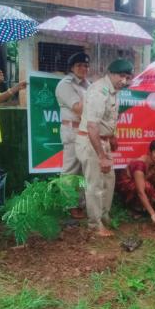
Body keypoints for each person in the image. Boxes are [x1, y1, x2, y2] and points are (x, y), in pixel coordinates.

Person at [75, 58, 133, 237]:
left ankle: (104, 216)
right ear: (111, 74)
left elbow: (105, 120)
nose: (124, 81)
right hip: (91, 142)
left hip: (103, 141)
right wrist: (101, 155)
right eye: (121, 76)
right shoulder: (99, 90)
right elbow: (92, 126)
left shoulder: (112, 91)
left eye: (128, 77)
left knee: (109, 180)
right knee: (94, 184)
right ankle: (95, 224)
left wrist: (112, 137)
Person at [55, 52, 91, 220]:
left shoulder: (87, 85)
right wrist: (94, 97)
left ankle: (81, 203)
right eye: (79, 66)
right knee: (70, 171)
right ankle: (68, 204)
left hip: (86, 132)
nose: (83, 68)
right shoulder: (65, 84)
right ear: (71, 68)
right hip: (72, 131)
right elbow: (79, 108)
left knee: (84, 171)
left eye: (85, 66)